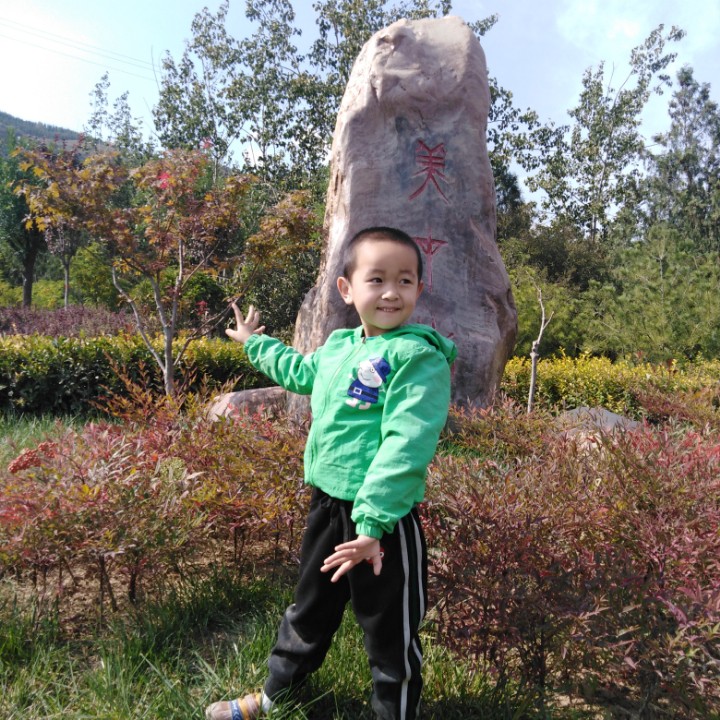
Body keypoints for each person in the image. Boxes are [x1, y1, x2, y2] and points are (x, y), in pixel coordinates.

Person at [206, 226, 457, 720]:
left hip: (382, 523)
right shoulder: (341, 347)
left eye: (405, 280)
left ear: (419, 289)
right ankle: (277, 697)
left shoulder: (417, 358)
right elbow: (301, 372)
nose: (391, 292)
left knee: (389, 630)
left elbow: (406, 445)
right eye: (377, 279)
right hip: (328, 506)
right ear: (347, 289)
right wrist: (256, 344)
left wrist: (372, 527)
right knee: (309, 609)